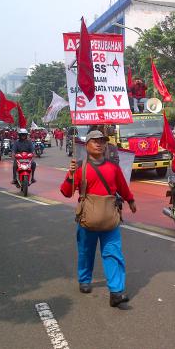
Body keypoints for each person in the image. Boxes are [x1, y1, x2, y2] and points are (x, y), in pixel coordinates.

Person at [60, 130, 137, 307]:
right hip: (87, 218)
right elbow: (66, 192)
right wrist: (70, 175)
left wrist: (131, 200)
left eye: (102, 141)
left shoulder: (113, 166)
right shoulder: (79, 167)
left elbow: (122, 187)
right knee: (86, 251)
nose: (99, 143)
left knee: (113, 253)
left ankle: (116, 292)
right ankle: (84, 279)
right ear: (86, 145)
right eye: (94, 141)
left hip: (110, 217)